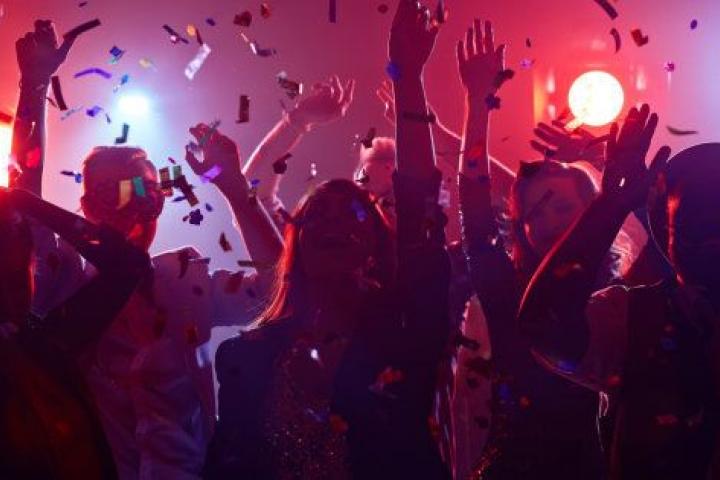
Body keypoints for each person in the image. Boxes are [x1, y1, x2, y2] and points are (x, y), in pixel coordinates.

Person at [12, 20, 283, 479]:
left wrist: (236, 190)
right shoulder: (65, 281)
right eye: (114, 193)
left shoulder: (186, 283)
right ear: (85, 206)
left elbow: (276, 289)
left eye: (148, 192)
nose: (134, 207)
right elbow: (23, 203)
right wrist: (35, 86)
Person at [204, 1, 452, 477]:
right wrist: (294, 122)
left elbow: (420, 202)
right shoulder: (246, 356)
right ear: (297, 242)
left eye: (353, 215)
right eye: (319, 215)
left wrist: (408, 78)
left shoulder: (407, 327)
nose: (334, 224)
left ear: (375, 243)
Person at [452, 19, 638, 479]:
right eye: (537, 212)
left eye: (563, 207)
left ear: (591, 211)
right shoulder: (507, 292)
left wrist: (609, 169)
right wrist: (478, 103)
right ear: (522, 229)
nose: (552, 221)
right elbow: (474, 206)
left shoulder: (621, 295)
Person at [518, 105, 720, 479]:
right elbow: (544, 327)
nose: (712, 241)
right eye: (693, 224)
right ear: (666, 235)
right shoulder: (636, 317)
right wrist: (611, 204)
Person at [0, 187, 150, 480]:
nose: (6, 297)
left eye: (16, 279)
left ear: (34, 265)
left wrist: (25, 201)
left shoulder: (44, 344)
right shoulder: (44, 344)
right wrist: (25, 202)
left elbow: (129, 265)